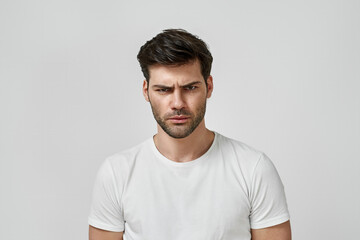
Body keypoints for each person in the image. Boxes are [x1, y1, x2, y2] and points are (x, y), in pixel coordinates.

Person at [88, 29, 291, 240]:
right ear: (146, 90)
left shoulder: (253, 169)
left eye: (190, 88)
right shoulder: (116, 174)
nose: (177, 103)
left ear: (209, 86)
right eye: (163, 90)